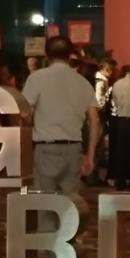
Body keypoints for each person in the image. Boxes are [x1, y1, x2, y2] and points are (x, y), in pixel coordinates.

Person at [22, 34, 100, 231]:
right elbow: (95, 120)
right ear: (70, 54)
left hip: (46, 148)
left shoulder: (36, 78)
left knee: (45, 204)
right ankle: (67, 243)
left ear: (47, 55)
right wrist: (90, 155)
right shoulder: (82, 82)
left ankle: (50, 247)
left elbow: (25, 113)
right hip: (74, 148)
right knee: (69, 204)